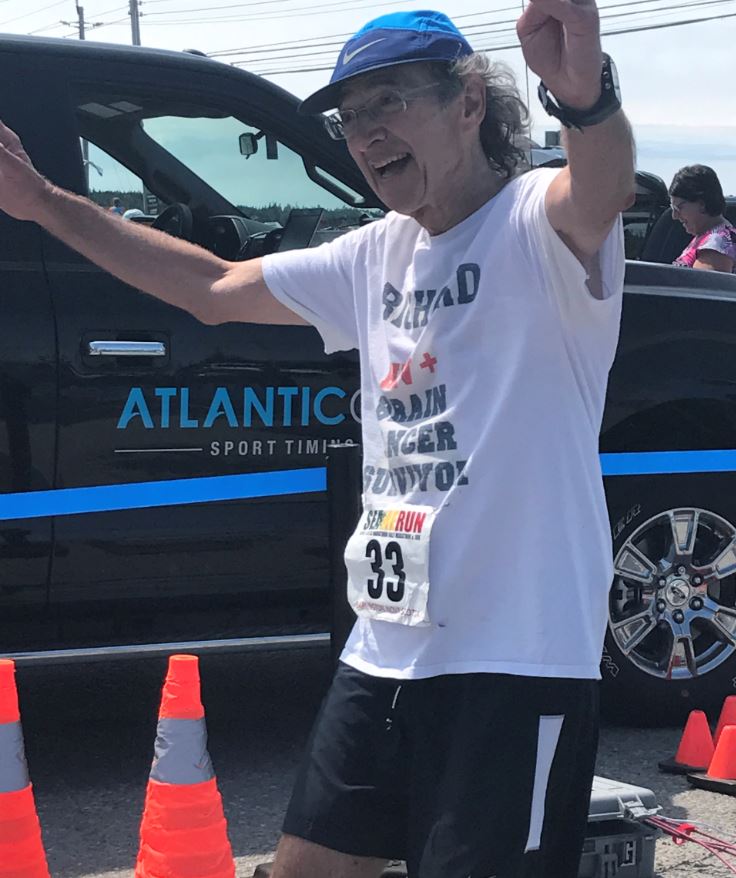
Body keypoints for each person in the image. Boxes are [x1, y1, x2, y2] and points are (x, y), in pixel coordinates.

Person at [0, 1, 634, 874]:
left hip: (516, 655)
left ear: (469, 103)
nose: (366, 136)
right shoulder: (374, 252)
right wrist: (40, 204)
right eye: (351, 118)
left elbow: (601, 191)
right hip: (386, 646)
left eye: (389, 104)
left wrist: (585, 101)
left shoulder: (536, 224)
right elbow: (214, 286)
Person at [670, 164, 735, 273]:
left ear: (702, 204)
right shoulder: (708, 238)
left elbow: (700, 288)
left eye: (679, 208)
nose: (674, 216)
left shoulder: (717, 243)